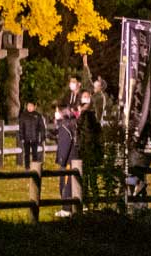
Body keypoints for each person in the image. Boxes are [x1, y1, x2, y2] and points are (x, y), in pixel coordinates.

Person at [55, 75, 86, 211]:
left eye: (73, 82)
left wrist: (67, 114)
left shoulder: (82, 96)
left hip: (73, 138)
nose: (71, 84)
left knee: (71, 170)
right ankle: (66, 203)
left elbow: (79, 112)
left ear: (79, 83)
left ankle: (68, 206)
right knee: (65, 171)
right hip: (67, 135)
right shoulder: (69, 97)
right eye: (70, 82)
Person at [17, 98, 47, 167]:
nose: (29, 107)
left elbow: (42, 128)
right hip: (26, 138)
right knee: (26, 154)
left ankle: (35, 167)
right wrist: (21, 137)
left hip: (35, 138)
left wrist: (42, 137)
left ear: (34, 107)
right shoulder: (23, 116)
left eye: (31, 106)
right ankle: (27, 168)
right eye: (28, 106)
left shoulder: (38, 116)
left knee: (35, 154)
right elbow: (21, 128)